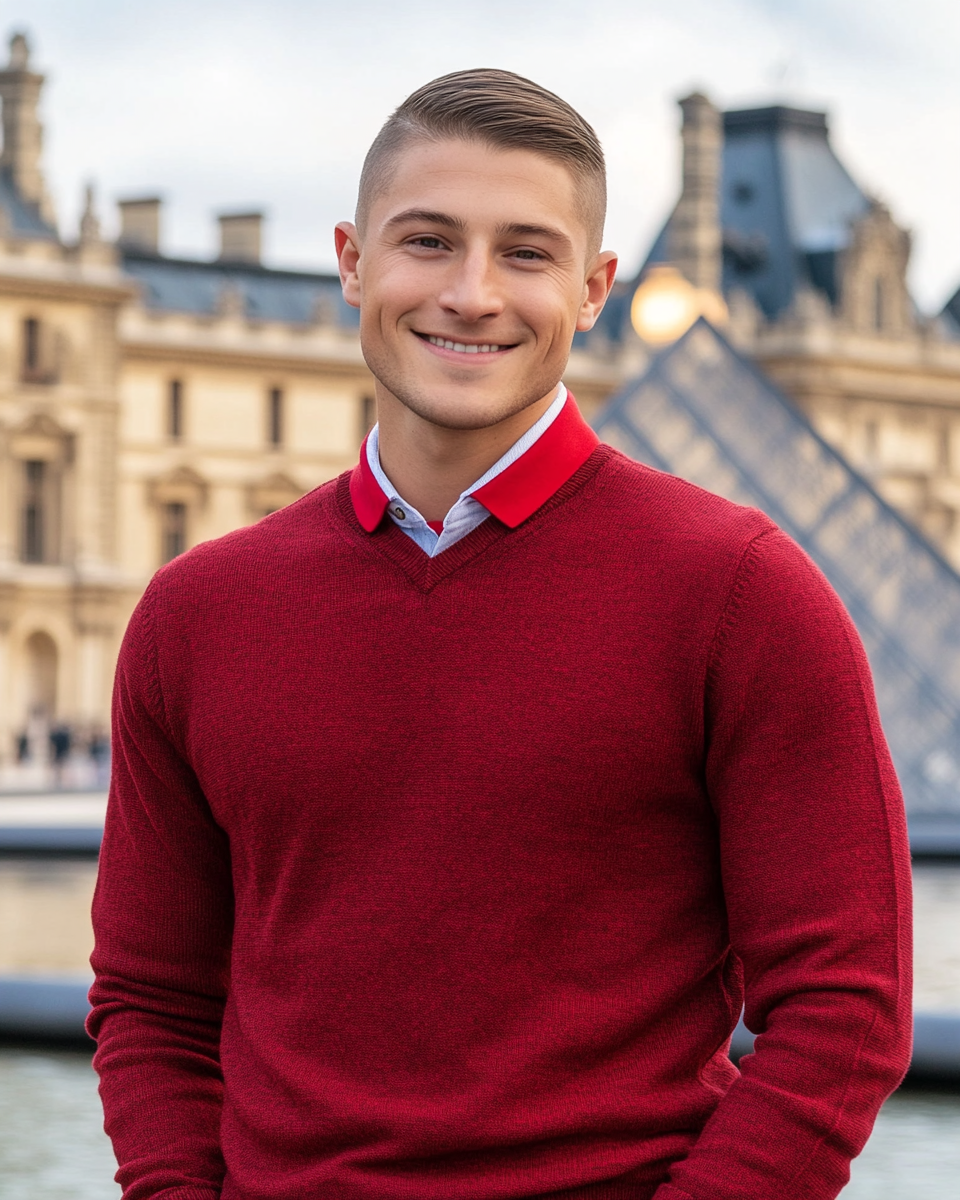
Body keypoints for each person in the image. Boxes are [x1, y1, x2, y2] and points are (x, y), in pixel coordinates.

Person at [89, 69, 912, 1200]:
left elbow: (845, 1011)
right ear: (350, 261)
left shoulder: (744, 595)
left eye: (526, 253)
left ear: (593, 288)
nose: (471, 293)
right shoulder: (194, 615)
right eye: (427, 241)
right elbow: (152, 999)